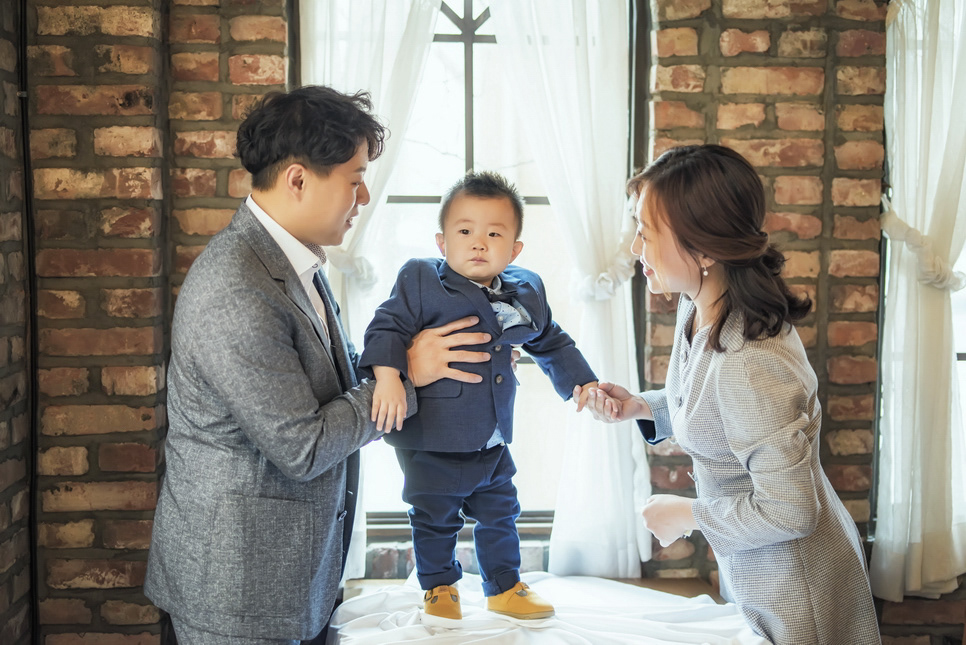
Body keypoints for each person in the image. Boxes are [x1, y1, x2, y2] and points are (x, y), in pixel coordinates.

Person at [144, 86, 496, 645]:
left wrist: (405, 364)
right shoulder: (236, 290)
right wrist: (406, 372)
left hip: (292, 581)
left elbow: (335, 381)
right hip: (237, 597)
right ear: (298, 180)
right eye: (355, 179)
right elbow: (302, 447)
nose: (365, 196)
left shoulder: (295, 260)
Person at [577, 144, 880, 644]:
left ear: (705, 249)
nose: (634, 247)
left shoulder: (751, 363)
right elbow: (711, 405)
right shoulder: (699, 304)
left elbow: (791, 511)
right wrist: (641, 406)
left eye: (646, 233)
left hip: (796, 589)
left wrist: (688, 514)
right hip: (754, 573)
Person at [358, 171, 598, 620]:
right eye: (465, 232)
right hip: (433, 436)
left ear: (514, 250)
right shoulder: (420, 278)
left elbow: (550, 340)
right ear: (442, 241)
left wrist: (581, 382)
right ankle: (439, 587)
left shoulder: (527, 289)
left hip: (492, 436)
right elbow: (386, 327)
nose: (479, 244)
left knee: (502, 512)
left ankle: (504, 586)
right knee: (434, 517)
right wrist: (388, 377)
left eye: (494, 234)